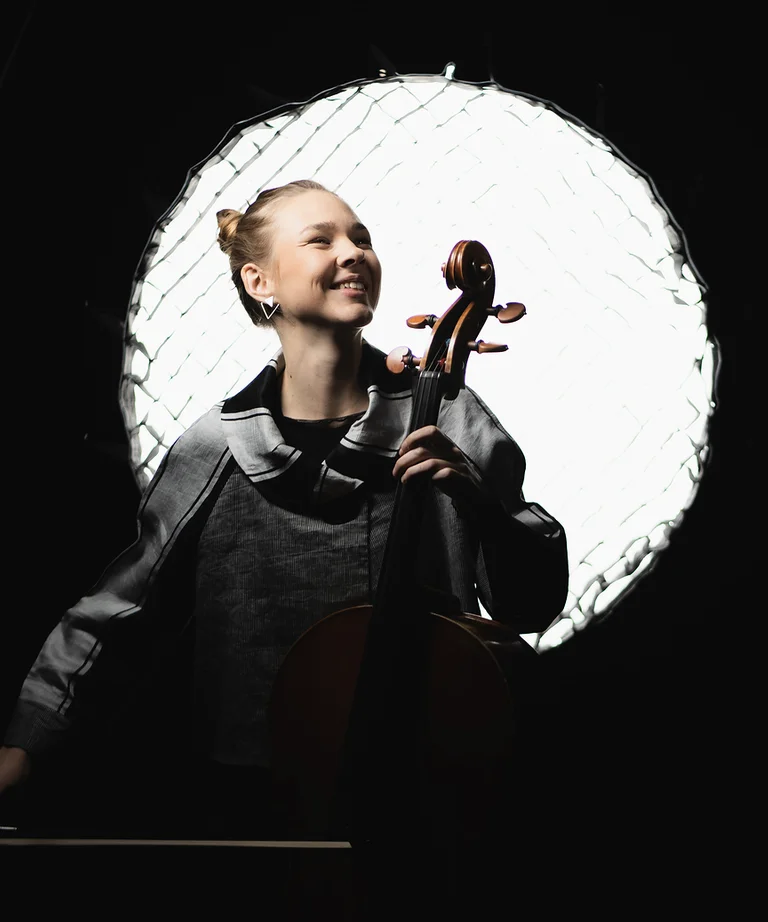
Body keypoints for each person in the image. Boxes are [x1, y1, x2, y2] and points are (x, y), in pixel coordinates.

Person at [0, 180, 568, 848]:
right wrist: (24, 747)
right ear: (259, 279)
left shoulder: (446, 417)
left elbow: (531, 604)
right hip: (256, 809)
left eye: (360, 237)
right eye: (321, 239)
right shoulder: (214, 449)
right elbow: (118, 617)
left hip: (426, 802)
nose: (352, 252)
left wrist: (483, 507)